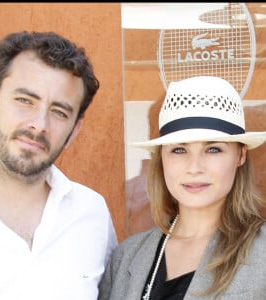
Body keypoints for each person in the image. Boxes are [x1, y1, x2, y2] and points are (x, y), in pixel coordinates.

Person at [0, 31, 118, 300]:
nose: (39, 124)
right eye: (25, 100)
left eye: (59, 112)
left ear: (73, 131)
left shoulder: (92, 213)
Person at [99, 76, 266, 300]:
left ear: (240, 155)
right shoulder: (126, 258)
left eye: (213, 149)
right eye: (179, 150)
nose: (194, 168)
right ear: (162, 159)